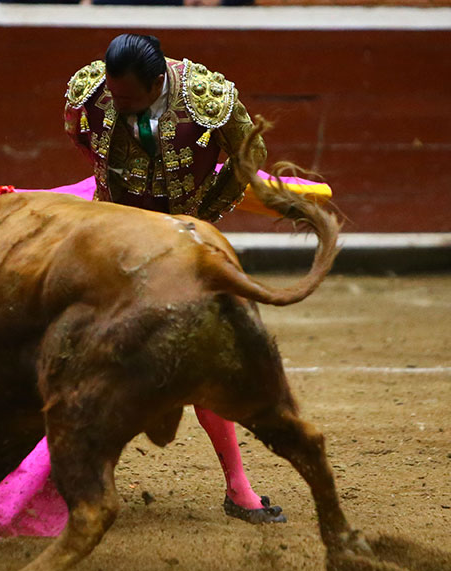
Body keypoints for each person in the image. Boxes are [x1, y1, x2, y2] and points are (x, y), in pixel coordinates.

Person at [63, 34, 285, 524]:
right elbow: (80, 136)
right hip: (118, 234)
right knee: (82, 347)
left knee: (201, 352)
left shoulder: (207, 97)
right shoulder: (92, 91)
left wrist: (202, 213)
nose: (114, 103)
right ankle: (80, 483)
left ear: (158, 81)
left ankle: (239, 488)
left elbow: (250, 155)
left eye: (126, 98)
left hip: (183, 240)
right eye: (112, 95)